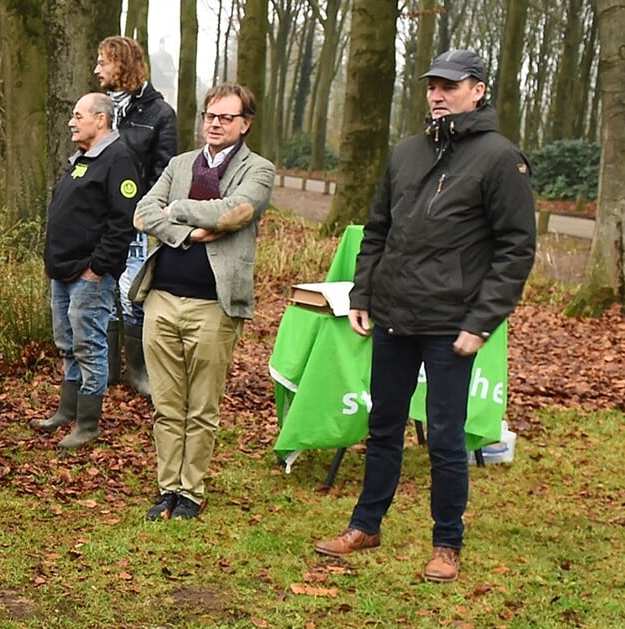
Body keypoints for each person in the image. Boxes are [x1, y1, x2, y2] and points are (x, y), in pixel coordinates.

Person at [312, 49, 535, 583]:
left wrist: (481, 321)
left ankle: (446, 543)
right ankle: (367, 525)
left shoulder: (501, 159)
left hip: (452, 323)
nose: (437, 94)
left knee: (444, 434)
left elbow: (515, 249)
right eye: (432, 85)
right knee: (383, 425)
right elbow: (378, 229)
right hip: (392, 314)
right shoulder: (407, 152)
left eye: (449, 85)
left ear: (478, 90)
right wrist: (363, 294)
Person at [131, 83, 276, 520]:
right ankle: (167, 488)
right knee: (167, 404)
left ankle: (190, 492)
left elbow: (236, 213)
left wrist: (176, 209)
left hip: (213, 306)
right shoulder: (179, 164)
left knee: (202, 406)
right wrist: (190, 228)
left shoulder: (260, 170)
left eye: (226, 117)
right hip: (161, 301)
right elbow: (142, 213)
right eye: (210, 115)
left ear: (245, 124)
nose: (215, 123)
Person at [31, 92, 139, 451]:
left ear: (101, 120)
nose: (71, 122)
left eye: (78, 115)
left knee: (88, 346)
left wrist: (98, 268)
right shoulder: (83, 159)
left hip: (88, 274)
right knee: (67, 344)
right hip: (62, 271)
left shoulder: (119, 159)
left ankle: (88, 424)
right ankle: (67, 410)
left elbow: (123, 222)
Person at [95, 35, 178, 398]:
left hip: (136, 224)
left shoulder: (160, 114)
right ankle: (109, 368)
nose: (96, 69)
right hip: (97, 219)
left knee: (133, 293)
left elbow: (164, 174)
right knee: (100, 287)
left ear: (122, 65)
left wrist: (142, 215)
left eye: (103, 62)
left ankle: (138, 370)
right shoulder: (99, 110)